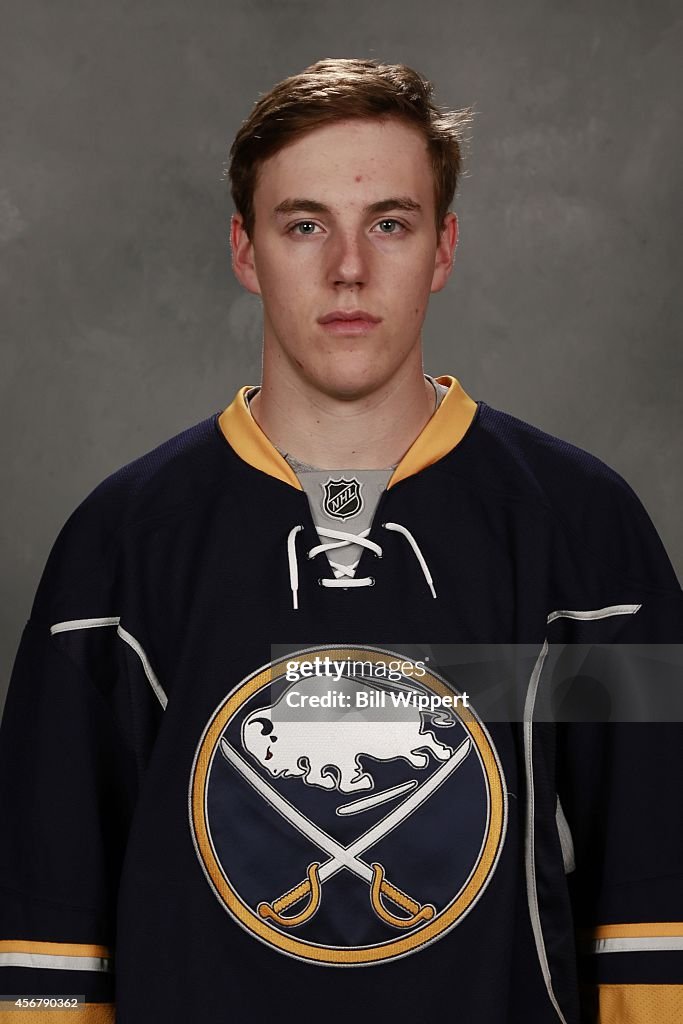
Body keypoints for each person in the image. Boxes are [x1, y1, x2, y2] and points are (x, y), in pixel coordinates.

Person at [0, 57, 681, 1024]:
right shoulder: (118, 547)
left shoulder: (583, 531)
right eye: (304, 224)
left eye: (389, 224)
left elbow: (658, 895)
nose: (348, 269)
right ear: (245, 250)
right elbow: (47, 933)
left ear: (443, 249)